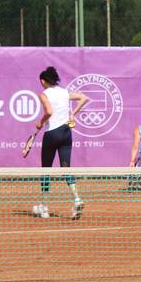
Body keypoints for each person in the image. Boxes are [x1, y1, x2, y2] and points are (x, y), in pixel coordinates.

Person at [32, 66, 89, 220]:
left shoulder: (43, 94)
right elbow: (84, 98)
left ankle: (43, 207)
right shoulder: (64, 92)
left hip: (52, 134)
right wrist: (73, 114)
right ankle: (77, 198)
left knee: (46, 170)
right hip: (66, 134)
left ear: (43, 81)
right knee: (65, 168)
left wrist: (40, 122)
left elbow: (49, 112)